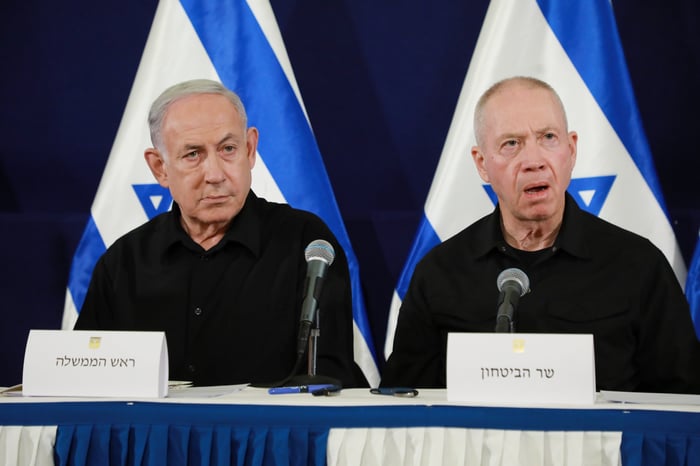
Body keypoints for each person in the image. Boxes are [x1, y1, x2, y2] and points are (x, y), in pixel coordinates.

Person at [381, 76, 700, 393]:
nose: (534, 162)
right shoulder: (440, 274)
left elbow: (681, 408)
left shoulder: (639, 267)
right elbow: (403, 406)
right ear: (482, 164)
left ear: (571, 150)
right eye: (511, 144)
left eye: (548, 137)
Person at [74, 79, 361, 388]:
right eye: (193, 154)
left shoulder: (307, 245)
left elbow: (331, 376)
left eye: (227, 149)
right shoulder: (124, 262)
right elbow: (84, 380)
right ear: (160, 168)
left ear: (249, 150)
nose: (215, 175)